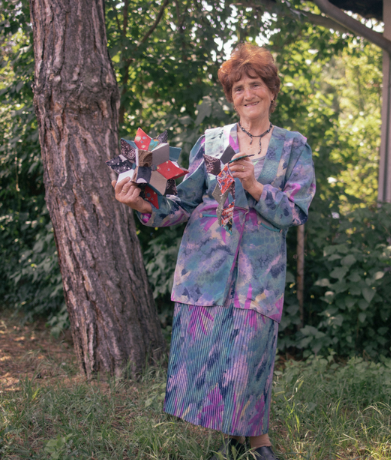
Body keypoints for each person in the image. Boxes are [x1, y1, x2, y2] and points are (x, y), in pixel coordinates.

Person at [113, 43, 315, 460]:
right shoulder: (212, 141)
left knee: (250, 356)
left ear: (272, 90)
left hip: (260, 273)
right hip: (204, 268)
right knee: (208, 355)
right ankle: (232, 438)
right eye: (238, 88)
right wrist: (140, 203)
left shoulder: (293, 146)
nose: (247, 95)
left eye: (255, 85)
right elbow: (182, 204)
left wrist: (256, 187)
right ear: (230, 97)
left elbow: (295, 211)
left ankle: (258, 443)